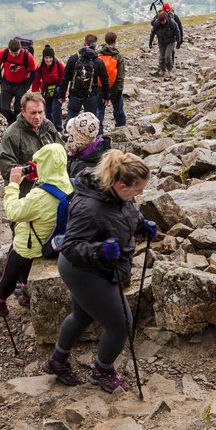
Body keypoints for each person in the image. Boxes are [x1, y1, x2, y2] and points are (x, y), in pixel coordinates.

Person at [42, 150, 157, 392]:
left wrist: (141, 225)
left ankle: (57, 361)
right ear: (121, 184)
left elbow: (124, 215)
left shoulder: (120, 196)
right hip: (83, 270)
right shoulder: (89, 207)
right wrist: (99, 251)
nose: (140, 194)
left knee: (82, 316)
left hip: (98, 266)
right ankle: (102, 371)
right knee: (121, 324)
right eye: (137, 190)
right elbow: (70, 246)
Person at [0, 143, 73, 316]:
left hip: (28, 246)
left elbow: (13, 212)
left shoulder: (40, 196)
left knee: (9, 275)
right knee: (26, 272)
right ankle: (26, 295)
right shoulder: (68, 184)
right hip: (48, 241)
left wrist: (13, 185)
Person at [0, 91, 63, 191]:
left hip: (50, 190)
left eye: (40, 112)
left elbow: (62, 152)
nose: (37, 117)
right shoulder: (12, 135)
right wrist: (31, 170)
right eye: (33, 113)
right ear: (23, 112)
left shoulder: (48, 126)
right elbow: (7, 170)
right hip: (24, 195)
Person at [60, 34, 110, 124]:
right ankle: (91, 137)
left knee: (72, 114)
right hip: (91, 95)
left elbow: (65, 78)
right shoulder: (98, 61)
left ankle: (69, 135)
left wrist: (61, 94)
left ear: (84, 43)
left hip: (75, 94)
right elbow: (105, 81)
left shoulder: (73, 58)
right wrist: (106, 96)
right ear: (95, 45)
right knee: (91, 120)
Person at [0, 37, 36, 125]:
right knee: (3, 108)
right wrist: (1, 81)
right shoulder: (3, 53)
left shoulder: (28, 56)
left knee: (18, 109)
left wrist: (26, 86)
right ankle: (11, 121)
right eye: (11, 52)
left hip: (21, 84)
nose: (13, 55)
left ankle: (14, 125)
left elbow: (33, 73)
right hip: (7, 83)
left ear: (20, 49)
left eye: (16, 53)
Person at [66, 111, 109, 178]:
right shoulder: (100, 147)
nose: (69, 138)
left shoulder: (83, 167)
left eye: (71, 135)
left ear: (78, 140)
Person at [31, 45, 65, 129]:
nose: (48, 60)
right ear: (43, 58)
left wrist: (62, 94)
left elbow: (64, 79)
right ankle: (50, 128)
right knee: (48, 110)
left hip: (58, 90)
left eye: (50, 57)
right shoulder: (40, 67)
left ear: (53, 57)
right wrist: (34, 94)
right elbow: (36, 80)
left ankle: (59, 129)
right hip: (46, 91)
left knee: (56, 109)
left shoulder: (59, 65)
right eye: (46, 57)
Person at [97, 31, 126, 129]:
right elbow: (120, 76)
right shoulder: (118, 56)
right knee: (118, 108)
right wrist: (119, 89)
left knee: (100, 110)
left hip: (100, 88)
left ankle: (98, 131)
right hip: (114, 88)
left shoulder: (98, 55)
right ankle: (120, 127)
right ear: (115, 41)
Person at [148, 3, 184, 77]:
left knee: (168, 56)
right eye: (161, 21)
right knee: (162, 56)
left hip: (171, 41)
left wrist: (179, 41)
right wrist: (150, 42)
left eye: (163, 21)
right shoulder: (157, 23)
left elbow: (177, 31)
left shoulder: (172, 22)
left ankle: (170, 70)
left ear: (166, 18)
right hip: (161, 41)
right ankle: (162, 70)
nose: (163, 22)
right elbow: (153, 32)